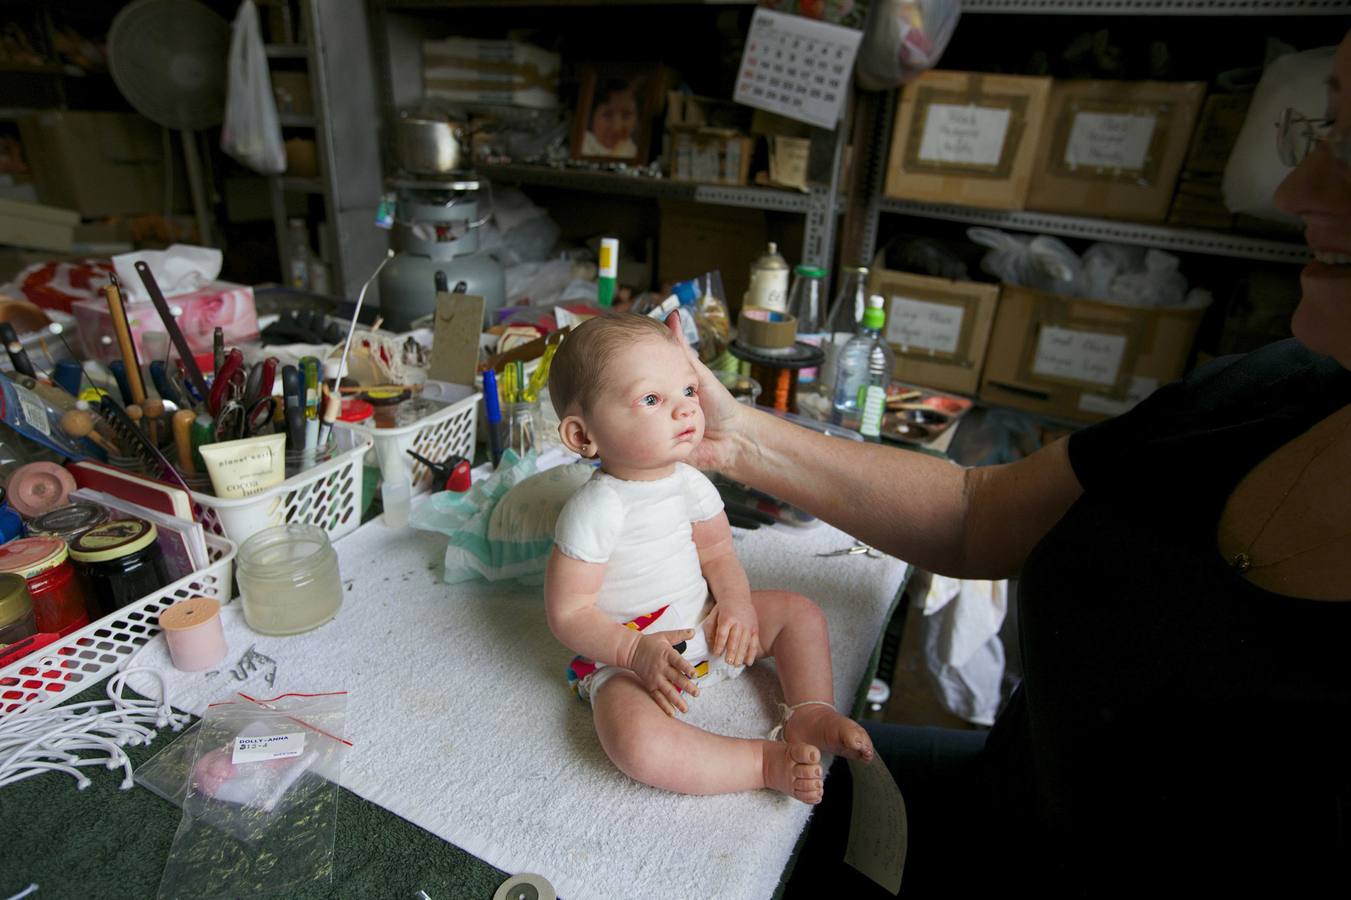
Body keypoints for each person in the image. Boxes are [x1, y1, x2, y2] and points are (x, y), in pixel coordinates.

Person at [669, 35, 1351, 897]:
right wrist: (735, 437)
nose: (1296, 191)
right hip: (999, 808)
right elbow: (976, 516)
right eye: (1325, 130)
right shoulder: (1268, 392)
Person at [543, 312, 874, 804]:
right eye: (652, 399)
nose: (684, 411)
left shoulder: (690, 483)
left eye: (689, 392)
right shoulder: (594, 510)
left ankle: (810, 710)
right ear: (582, 436)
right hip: (636, 659)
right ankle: (762, 762)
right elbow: (568, 613)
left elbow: (718, 552)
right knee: (635, 744)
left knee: (798, 613)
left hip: (709, 623)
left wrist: (737, 605)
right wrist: (634, 652)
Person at [581, 78, 640, 158]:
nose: (617, 127)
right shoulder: (580, 145)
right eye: (607, 115)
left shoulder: (636, 152)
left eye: (626, 115)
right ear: (591, 117)